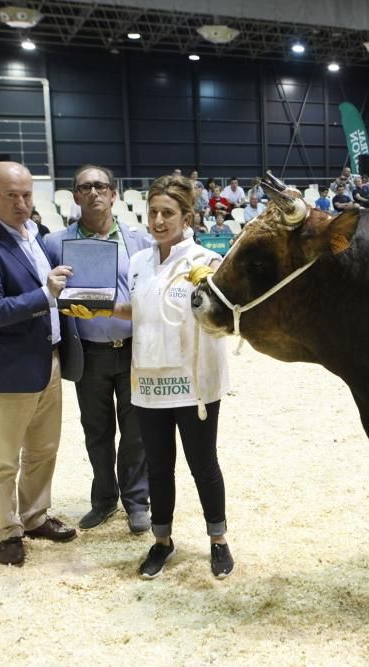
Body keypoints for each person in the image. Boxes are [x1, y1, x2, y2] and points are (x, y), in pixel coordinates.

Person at [105, 174, 234, 580]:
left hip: (194, 382)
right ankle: (161, 541)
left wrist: (212, 285)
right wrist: (99, 307)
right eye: (153, 212)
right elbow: (138, 310)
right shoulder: (140, 262)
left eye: (168, 213)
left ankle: (218, 540)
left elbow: (225, 312)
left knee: (203, 465)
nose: (159, 220)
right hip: (148, 381)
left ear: (186, 216)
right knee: (158, 468)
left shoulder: (206, 261)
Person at [0, 161, 81, 566]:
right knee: (5, 459)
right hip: (7, 371)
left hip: (49, 361)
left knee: (43, 450)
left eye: (26, 195)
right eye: (12, 195)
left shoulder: (35, 235)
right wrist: (46, 294)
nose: (22, 203)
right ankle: (7, 531)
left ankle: (35, 515)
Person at [44, 164, 153, 534]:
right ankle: (104, 499)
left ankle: (138, 502)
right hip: (88, 352)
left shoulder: (139, 240)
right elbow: (41, 293)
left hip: (135, 349)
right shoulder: (54, 243)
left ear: (113, 194)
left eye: (100, 186)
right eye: (85, 187)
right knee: (97, 430)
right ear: (75, 196)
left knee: (136, 431)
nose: (93, 193)